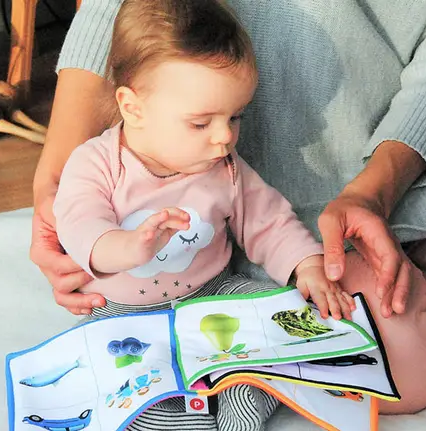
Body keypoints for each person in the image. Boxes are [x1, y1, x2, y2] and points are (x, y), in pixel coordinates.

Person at [32, 0, 426, 419]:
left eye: (222, 124)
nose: (218, 136)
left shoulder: (221, 157)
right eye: (202, 125)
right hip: (286, 171)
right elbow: (127, 18)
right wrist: (58, 185)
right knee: (399, 376)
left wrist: (375, 191)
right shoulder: (217, 157)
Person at [53, 1, 355, 429]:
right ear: (133, 107)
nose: (224, 137)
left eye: (234, 117)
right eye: (200, 123)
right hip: (121, 309)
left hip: (212, 291)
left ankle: (244, 404)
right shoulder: (96, 163)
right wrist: (129, 246)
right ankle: (179, 418)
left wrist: (306, 266)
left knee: (280, 318)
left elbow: (267, 221)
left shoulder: (226, 168)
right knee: (122, 379)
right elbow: (80, 226)